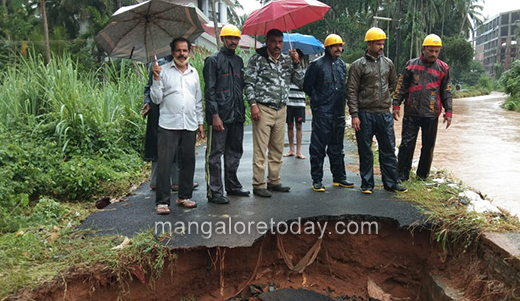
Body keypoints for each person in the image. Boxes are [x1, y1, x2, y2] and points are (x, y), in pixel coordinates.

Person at [346, 27, 407, 194]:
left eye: (382, 43)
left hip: (383, 113)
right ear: (369, 44)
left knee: (388, 149)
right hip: (365, 114)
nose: (381, 47)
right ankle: (367, 184)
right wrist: (354, 114)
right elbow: (351, 90)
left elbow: (394, 84)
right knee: (365, 150)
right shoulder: (358, 66)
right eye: (378, 44)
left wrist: (391, 102)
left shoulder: (388, 64)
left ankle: (391, 183)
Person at [244, 29, 304, 198]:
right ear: (267, 42)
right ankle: (258, 184)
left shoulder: (287, 60)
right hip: (263, 108)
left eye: (280, 42)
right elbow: (248, 83)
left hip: (281, 109)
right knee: (260, 149)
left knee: (277, 148)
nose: (277, 45)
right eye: (273, 41)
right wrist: (253, 104)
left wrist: (297, 63)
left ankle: (274, 180)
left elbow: (300, 82)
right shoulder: (257, 59)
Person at [150, 37, 204, 214]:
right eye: (178, 50)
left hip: (189, 124)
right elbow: (156, 99)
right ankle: (162, 202)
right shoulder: (162, 71)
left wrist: (200, 122)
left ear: (190, 52)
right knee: (165, 163)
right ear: (172, 52)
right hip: (168, 125)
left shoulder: (194, 72)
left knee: (188, 161)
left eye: (185, 50)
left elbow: (197, 99)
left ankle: (184, 196)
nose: (182, 54)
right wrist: (156, 79)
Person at [393, 34, 453, 181]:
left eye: (436, 51)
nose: (433, 54)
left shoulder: (443, 68)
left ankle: (422, 175)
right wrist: (396, 104)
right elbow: (401, 86)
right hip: (411, 112)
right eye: (431, 51)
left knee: (428, 146)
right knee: (407, 144)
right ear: (424, 49)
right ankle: (402, 174)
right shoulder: (411, 65)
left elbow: (447, 91)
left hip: (431, 113)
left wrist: (449, 111)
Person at [203, 24, 250, 205]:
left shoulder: (238, 61)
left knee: (234, 151)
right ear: (222, 39)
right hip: (220, 116)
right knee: (215, 154)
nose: (233, 41)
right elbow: (210, 90)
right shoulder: (213, 60)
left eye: (236, 38)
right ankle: (215, 191)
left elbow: (242, 86)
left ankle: (232, 185)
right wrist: (214, 115)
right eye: (230, 38)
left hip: (237, 114)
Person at [303, 34, 354, 192]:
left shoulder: (341, 65)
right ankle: (317, 179)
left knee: (337, 147)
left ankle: (339, 177)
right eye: (335, 46)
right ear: (327, 48)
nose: (338, 49)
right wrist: (318, 101)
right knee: (318, 148)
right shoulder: (316, 65)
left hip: (338, 112)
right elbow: (307, 86)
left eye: (340, 46)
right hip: (322, 113)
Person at [142, 56, 198, 192]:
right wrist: (148, 102)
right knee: (168, 146)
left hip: (167, 110)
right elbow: (151, 87)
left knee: (165, 146)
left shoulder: (177, 65)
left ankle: (163, 181)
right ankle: (173, 182)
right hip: (164, 111)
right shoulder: (160, 65)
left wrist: (147, 101)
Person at [283, 48, 307, 160]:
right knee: (290, 125)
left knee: (299, 126)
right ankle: (291, 149)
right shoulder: (287, 68)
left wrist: (296, 66)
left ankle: (299, 151)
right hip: (288, 102)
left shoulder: (303, 70)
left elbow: (302, 83)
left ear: (300, 58)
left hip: (299, 102)